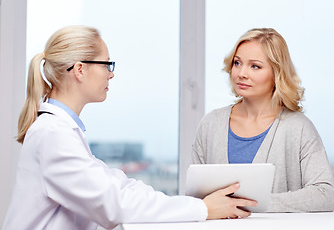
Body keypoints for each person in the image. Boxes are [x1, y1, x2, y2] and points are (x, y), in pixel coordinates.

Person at [2, 26, 258, 230]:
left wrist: (189, 204)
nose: (110, 74)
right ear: (80, 69)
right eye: (106, 65)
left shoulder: (62, 130)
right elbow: (114, 203)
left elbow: (115, 184)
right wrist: (202, 209)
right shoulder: (52, 135)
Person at [192, 28, 334, 213]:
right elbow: (195, 199)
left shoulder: (299, 128)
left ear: (277, 74)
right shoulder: (210, 124)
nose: (241, 73)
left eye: (255, 66)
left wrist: (254, 204)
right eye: (237, 63)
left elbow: (324, 195)